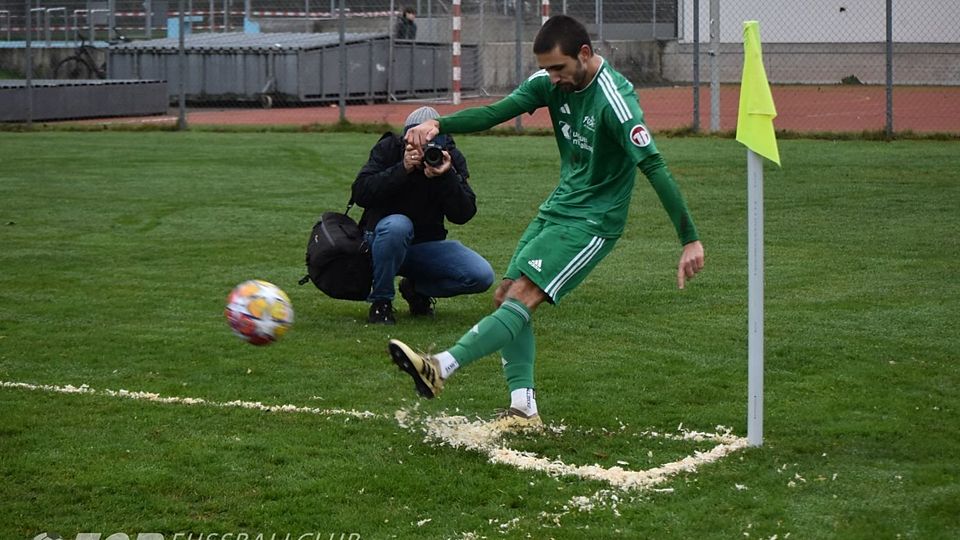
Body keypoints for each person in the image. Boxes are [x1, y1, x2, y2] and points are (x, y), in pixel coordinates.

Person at [387, 15, 705, 428]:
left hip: (593, 222)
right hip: (558, 208)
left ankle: (439, 367)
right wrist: (438, 124)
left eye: (559, 68)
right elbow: (496, 112)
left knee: (523, 296)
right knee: (504, 296)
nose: (552, 78)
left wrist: (690, 239)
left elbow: (655, 166)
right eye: (547, 69)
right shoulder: (550, 83)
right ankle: (524, 408)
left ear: (585, 54)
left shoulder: (616, 101)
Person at [352, 106, 495, 325]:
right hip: (381, 241)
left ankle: (415, 289)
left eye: (431, 142)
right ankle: (381, 303)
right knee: (398, 226)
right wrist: (403, 169)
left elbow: (463, 214)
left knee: (481, 275)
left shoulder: (451, 159)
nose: (426, 148)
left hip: (424, 247)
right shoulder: (389, 149)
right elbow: (360, 193)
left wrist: (446, 176)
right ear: (406, 139)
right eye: (418, 141)